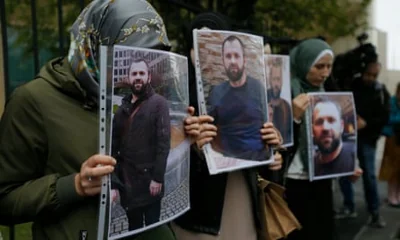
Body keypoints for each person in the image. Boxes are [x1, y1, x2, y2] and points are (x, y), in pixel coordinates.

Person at [0, 1, 203, 239]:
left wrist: (187, 141)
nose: (139, 66)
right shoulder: (34, 101)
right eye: (127, 54)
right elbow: (4, 198)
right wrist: (74, 185)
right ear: (96, 46)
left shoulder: (145, 96)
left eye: (151, 55)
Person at [172, 12, 284, 240]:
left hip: (239, 193)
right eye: (196, 45)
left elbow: (258, 148)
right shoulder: (176, 93)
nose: (202, 52)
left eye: (209, 43)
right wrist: (192, 146)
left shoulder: (254, 92)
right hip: (199, 211)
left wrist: (272, 150)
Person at [283, 38, 337, 240]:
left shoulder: (326, 94)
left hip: (321, 178)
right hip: (293, 180)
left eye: (329, 67)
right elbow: (276, 140)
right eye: (319, 66)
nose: (325, 73)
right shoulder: (284, 91)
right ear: (305, 63)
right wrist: (294, 117)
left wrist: (348, 163)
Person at [111, 58, 170, 230]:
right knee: (133, 229)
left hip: (150, 183)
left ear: (149, 77)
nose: (138, 77)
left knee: (152, 228)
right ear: (129, 78)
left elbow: (163, 143)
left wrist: (157, 178)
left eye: (141, 73)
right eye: (134, 74)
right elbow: (113, 149)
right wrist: (114, 183)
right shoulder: (121, 110)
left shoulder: (159, 104)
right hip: (128, 186)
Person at [336, 61, 390, 227]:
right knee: (344, 171)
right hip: (348, 135)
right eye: (368, 74)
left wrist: (367, 123)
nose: (370, 78)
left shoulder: (380, 91)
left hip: (367, 138)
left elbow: (384, 116)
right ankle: (348, 206)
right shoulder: (353, 85)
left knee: (369, 176)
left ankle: (374, 211)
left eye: (374, 76)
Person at [207, 34, 270, 161]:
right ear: (223, 60)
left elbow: (270, 127)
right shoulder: (216, 92)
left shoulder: (258, 88)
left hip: (258, 161)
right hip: (226, 163)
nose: (233, 61)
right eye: (228, 56)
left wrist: (275, 150)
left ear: (244, 59)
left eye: (237, 55)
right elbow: (209, 132)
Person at [312, 100, 355, 177]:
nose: (325, 127)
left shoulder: (353, 156)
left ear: (341, 126)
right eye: (319, 122)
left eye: (331, 120)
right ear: (312, 130)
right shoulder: (311, 164)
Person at [379, 82, 400, 207]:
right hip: (393, 138)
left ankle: (398, 194)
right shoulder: (391, 102)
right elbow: (389, 119)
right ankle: (392, 195)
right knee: (392, 168)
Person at [268, 57, 293, 145]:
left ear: (282, 81)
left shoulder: (286, 107)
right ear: (269, 81)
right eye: (274, 79)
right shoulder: (263, 103)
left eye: (278, 79)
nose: (276, 84)